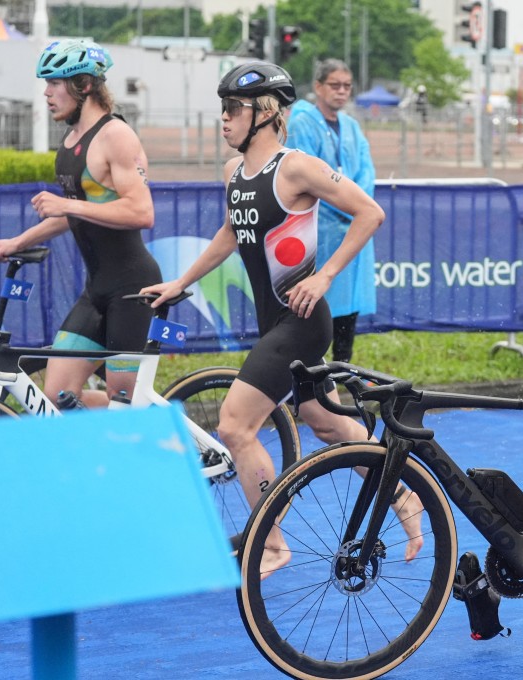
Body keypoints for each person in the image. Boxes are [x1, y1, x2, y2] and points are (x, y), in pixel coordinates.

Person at [140, 61, 422, 570]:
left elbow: (370, 213)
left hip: (302, 322)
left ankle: (271, 543)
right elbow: (231, 233)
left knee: (234, 426)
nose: (223, 119)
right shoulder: (233, 172)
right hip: (274, 322)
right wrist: (181, 282)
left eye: (232, 109)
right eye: (221, 109)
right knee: (331, 426)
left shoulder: (295, 168)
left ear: (265, 113)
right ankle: (405, 496)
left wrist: (325, 275)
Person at [0, 39, 160, 408]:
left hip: (133, 289)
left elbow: (141, 213)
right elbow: (79, 211)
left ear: (83, 86)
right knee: (56, 397)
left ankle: (159, 440)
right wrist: (18, 241)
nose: (47, 93)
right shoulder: (70, 141)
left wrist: (68, 204)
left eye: (54, 83)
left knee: (124, 399)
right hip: (96, 290)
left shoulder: (116, 136)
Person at [285, 59, 376, 363]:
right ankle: (310, 385)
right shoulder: (301, 123)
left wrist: (357, 207)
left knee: (348, 309)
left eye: (347, 86)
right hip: (320, 230)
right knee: (316, 310)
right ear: (318, 87)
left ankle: (342, 372)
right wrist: (347, 205)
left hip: (353, 231)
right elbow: (306, 176)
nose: (341, 92)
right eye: (334, 85)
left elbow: (366, 172)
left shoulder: (351, 126)